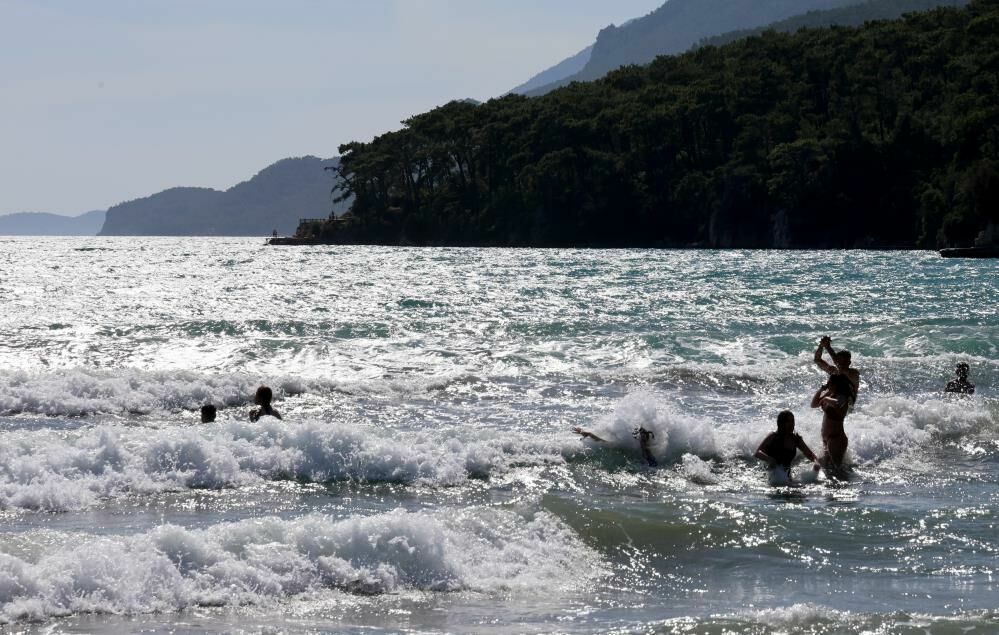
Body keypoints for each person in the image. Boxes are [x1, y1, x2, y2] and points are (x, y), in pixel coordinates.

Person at [755, 410, 821, 481]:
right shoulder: (773, 436)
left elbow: (810, 455)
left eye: (792, 421)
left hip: (786, 476)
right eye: (788, 422)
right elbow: (757, 453)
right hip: (772, 476)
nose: (791, 424)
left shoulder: (796, 439)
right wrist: (770, 459)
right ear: (781, 423)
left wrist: (816, 463)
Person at [811, 373, 852, 475]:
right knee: (828, 470)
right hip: (827, 438)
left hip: (836, 438)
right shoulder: (829, 394)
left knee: (837, 471)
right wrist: (821, 390)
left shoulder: (843, 397)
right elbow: (814, 404)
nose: (828, 385)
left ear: (837, 385)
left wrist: (825, 399)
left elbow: (837, 403)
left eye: (830, 383)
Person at [572, 425, 658, 467]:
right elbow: (605, 443)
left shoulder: (647, 454)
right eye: (641, 440)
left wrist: (589, 434)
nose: (642, 443)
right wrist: (589, 434)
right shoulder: (631, 447)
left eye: (643, 440)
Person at [814, 336, 860, 406]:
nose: (839, 364)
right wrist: (821, 346)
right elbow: (817, 360)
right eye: (839, 361)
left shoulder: (853, 373)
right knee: (816, 404)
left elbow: (841, 368)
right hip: (833, 401)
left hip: (846, 406)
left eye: (843, 362)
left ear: (849, 363)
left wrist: (828, 347)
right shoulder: (835, 372)